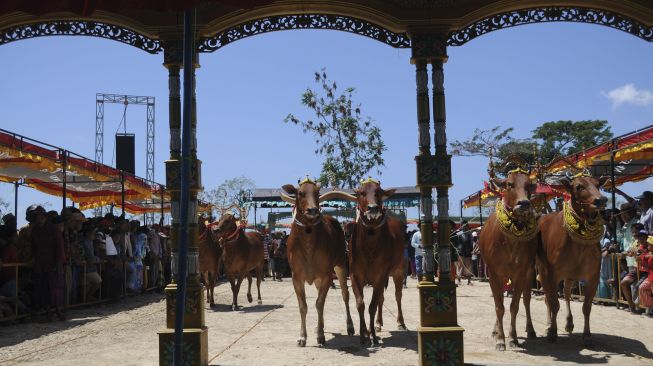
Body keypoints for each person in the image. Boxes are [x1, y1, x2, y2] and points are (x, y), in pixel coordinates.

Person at [81, 222, 102, 300]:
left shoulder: (89, 242)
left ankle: (86, 299)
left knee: (88, 285)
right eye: (93, 233)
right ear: (88, 234)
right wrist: (98, 259)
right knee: (98, 281)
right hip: (88, 268)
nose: (94, 235)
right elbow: (90, 257)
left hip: (90, 267)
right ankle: (87, 297)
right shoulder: (86, 243)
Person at [637, 235, 653, 316]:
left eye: (650, 245)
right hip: (650, 277)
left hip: (652, 278)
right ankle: (650, 307)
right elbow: (642, 257)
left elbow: (645, 259)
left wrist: (645, 256)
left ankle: (650, 310)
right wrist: (644, 255)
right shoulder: (649, 253)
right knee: (642, 288)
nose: (648, 246)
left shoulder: (651, 255)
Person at [455, 221, 473, 285]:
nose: (464, 226)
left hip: (468, 252)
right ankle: (459, 280)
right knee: (459, 266)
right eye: (463, 225)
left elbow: (471, 243)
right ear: (461, 225)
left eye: (465, 225)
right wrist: (457, 249)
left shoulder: (469, 233)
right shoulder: (458, 233)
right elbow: (456, 242)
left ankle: (469, 281)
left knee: (469, 266)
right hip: (460, 251)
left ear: (467, 226)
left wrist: (471, 250)